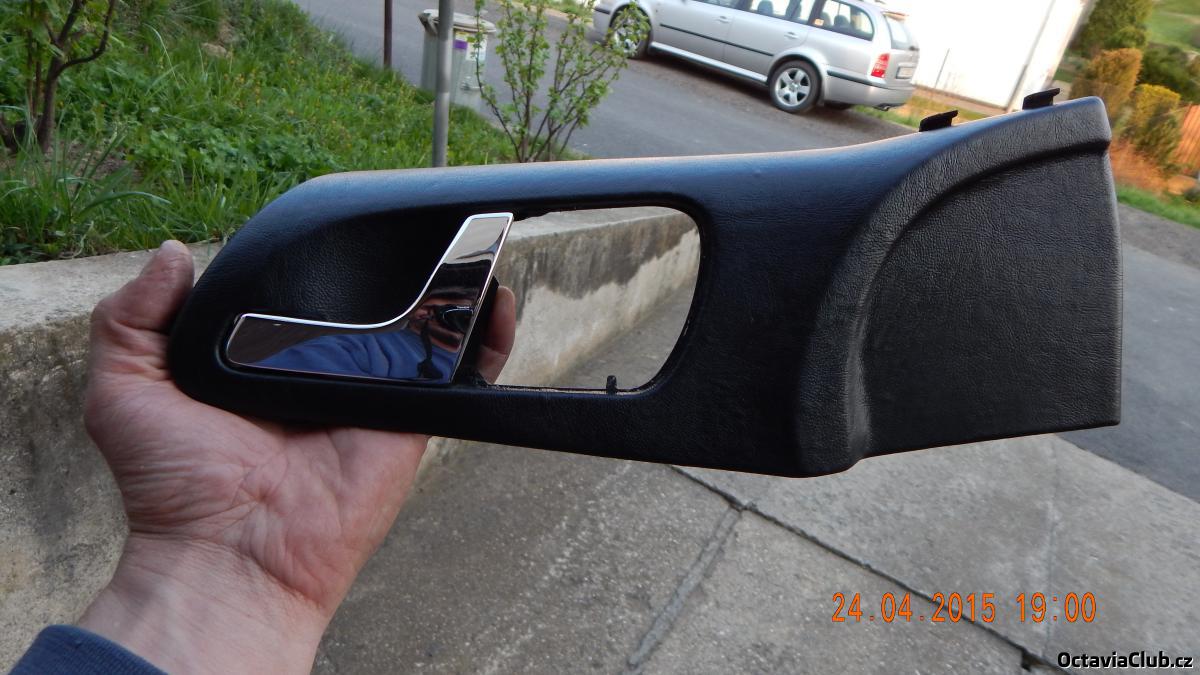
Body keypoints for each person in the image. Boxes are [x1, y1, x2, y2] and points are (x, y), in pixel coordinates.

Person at [11, 241, 518, 674]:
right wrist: (239, 570)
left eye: (459, 308)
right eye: (439, 303)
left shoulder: (389, 360)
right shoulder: (345, 354)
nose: (447, 315)